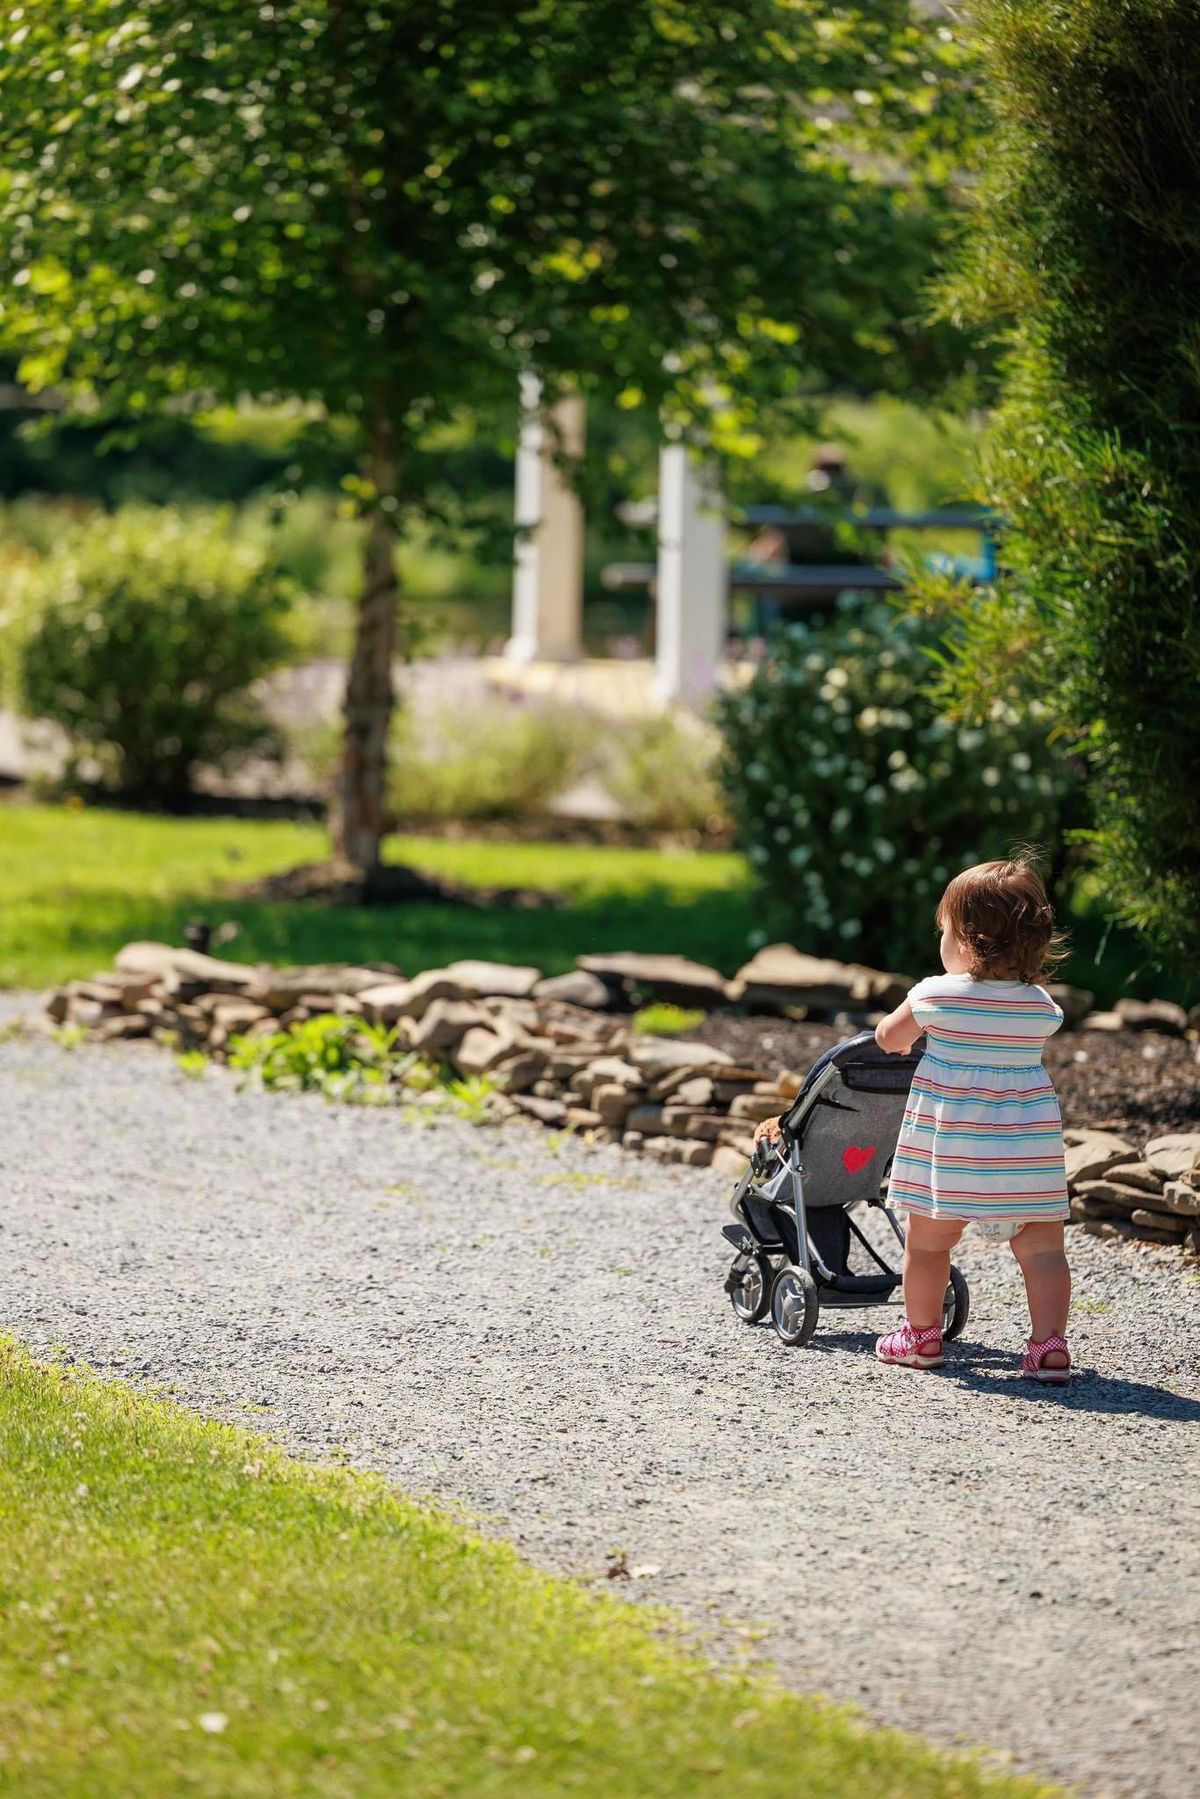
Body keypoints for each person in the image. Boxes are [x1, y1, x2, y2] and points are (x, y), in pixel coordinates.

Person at [754, 853, 1073, 1382]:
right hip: (1025, 1150)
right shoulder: (1041, 1005)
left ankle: (921, 1337)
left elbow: (887, 1038)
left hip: (953, 1150)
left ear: (966, 940)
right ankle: (1049, 1346)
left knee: (927, 1245)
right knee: (1043, 1251)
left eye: (944, 931)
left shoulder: (935, 995)